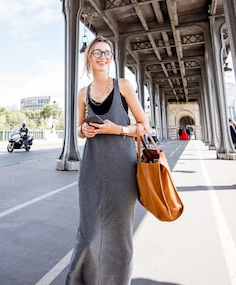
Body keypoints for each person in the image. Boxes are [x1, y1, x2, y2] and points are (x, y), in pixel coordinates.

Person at [66, 36, 150, 285]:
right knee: (89, 232)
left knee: (119, 234)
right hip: (92, 168)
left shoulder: (123, 86)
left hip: (122, 168)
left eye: (107, 53)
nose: (103, 57)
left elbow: (145, 127)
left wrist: (119, 130)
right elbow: (79, 129)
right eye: (97, 52)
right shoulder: (83, 93)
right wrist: (85, 130)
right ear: (88, 57)